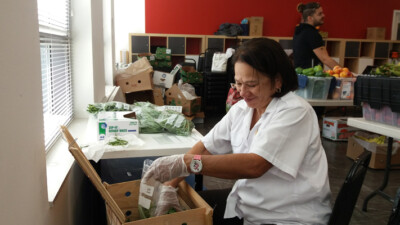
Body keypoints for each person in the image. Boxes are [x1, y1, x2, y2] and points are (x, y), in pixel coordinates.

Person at [142, 38, 332, 225]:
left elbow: (254, 165)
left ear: (277, 80)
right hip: (247, 205)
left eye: (251, 84)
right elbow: (206, 147)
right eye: (238, 83)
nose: (242, 92)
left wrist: (187, 163)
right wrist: (170, 185)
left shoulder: (295, 111)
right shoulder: (242, 109)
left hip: (287, 215)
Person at [293, 2, 340, 69]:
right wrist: (346, 73)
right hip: (310, 76)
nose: (323, 15)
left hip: (300, 75)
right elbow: (325, 59)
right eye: (319, 14)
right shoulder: (311, 34)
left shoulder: (299, 31)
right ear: (310, 18)